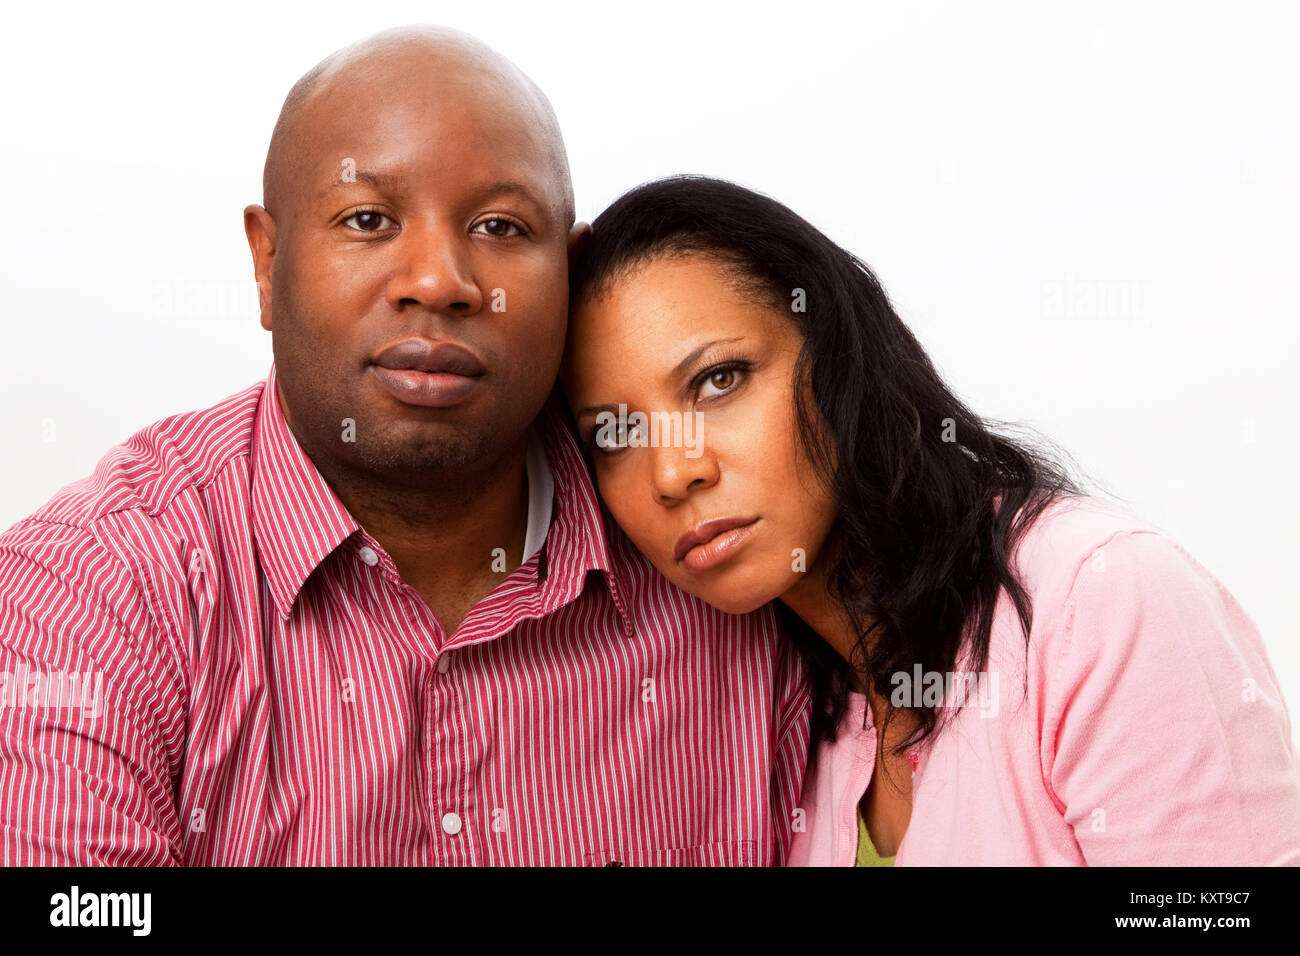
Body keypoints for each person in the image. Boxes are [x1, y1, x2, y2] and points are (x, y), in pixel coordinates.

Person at [0, 30, 810, 866]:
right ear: (267, 262)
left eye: (500, 224)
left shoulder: (726, 560)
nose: (439, 281)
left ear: (568, 275)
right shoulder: (83, 603)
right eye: (368, 219)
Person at [561, 174, 1300, 866]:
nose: (673, 472)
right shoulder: (785, 715)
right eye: (614, 434)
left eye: (717, 380)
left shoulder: (1099, 600)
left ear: (837, 353)